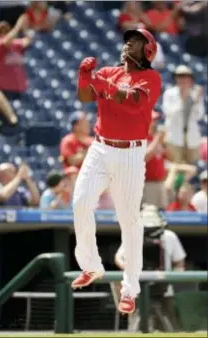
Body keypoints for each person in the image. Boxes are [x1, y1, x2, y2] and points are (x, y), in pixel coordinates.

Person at [71, 28, 161, 315]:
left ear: (147, 51)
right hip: (99, 148)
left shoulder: (151, 77)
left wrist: (102, 82)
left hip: (130, 154)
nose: (128, 44)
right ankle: (91, 265)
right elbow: (85, 95)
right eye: (127, 40)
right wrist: (85, 76)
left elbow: (133, 102)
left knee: (129, 221)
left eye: (135, 42)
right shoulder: (110, 70)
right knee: (80, 202)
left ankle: (129, 289)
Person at [162, 65, 204, 164]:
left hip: (192, 139)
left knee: (193, 170)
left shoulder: (195, 93)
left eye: (186, 76)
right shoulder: (169, 93)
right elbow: (169, 113)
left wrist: (197, 101)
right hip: (174, 139)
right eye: (180, 76)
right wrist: (183, 100)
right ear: (176, 78)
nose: (183, 79)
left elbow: (199, 115)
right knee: (176, 169)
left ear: (191, 79)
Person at [0, 21, 32, 99]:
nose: (3, 34)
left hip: (18, 86)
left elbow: (27, 41)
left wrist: (25, 27)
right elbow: (6, 41)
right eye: (1, 32)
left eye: (6, 32)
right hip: (2, 87)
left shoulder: (16, 44)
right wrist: (18, 25)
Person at [143, 110, 168, 209]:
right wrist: (157, 139)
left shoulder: (156, 139)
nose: (155, 123)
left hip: (160, 183)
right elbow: (145, 157)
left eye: (155, 120)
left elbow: (172, 158)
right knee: (149, 214)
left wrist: (164, 142)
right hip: (148, 184)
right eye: (152, 120)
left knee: (162, 215)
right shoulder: (142, 138)